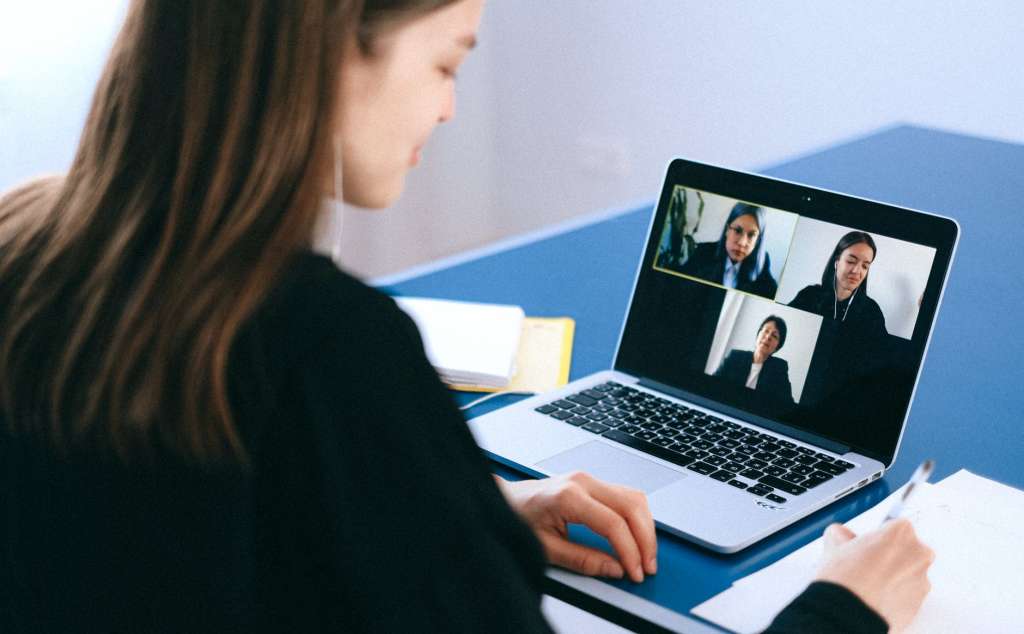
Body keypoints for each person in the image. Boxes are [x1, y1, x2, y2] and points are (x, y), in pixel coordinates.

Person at [0, 1, 933, 632]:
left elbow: (175, 527)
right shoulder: (329, 349)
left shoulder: (24, 242)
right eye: (447, 62)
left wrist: (464, 513)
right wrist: (843, 608)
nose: (449, 109)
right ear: (329, 46)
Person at [789, 231, 888, 337]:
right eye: (851, 261)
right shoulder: (809, 296)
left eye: (865, 266)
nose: (856, 271)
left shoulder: (872, 311)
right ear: (837, 262)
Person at [680, 202, 778, 299]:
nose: (742, 243)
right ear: (727, 230)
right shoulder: (704, 252)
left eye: (751, 235)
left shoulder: (762, 264)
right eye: (737, 231)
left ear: (758, 240)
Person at [715, 315, 795, 405]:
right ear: (758, 335)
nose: (768, 337)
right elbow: (713, 384)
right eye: (766, 331)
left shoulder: (779, 368)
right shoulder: (735, 357)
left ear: (777, 347)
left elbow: (788, 404)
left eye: (774, 336)